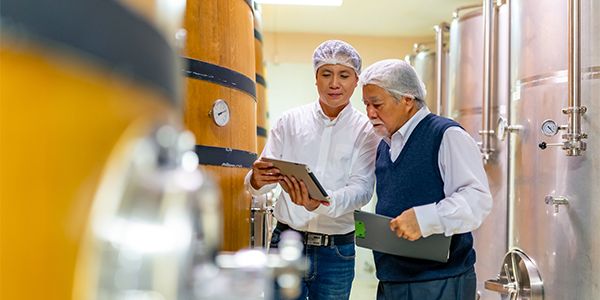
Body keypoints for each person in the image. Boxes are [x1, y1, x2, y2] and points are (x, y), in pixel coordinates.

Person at [244, 40, 379, 300]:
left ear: (356, 80)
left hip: (336, 252)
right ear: (315, 78)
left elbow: (362, 189)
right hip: (286, 241)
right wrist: (257, 180)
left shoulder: (366, 131)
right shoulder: (290, 121)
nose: (334, 83)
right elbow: (263, 181)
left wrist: (321, 202)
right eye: (326, 74)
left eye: (343, 75)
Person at [359, 59, 492, 300]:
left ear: (407, 100)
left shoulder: (445, 135)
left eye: (376, 104)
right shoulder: (384, 146)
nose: (369, 113)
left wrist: (425, 219)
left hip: (438, 282)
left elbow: (477, 200)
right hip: (392, 279)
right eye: (366, 104)